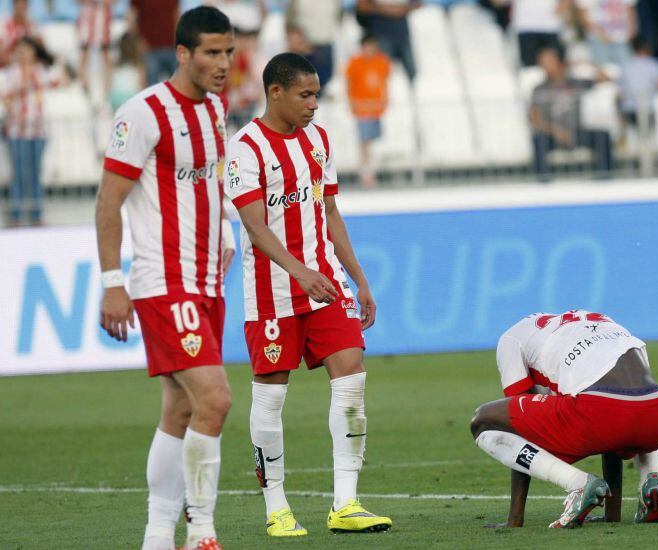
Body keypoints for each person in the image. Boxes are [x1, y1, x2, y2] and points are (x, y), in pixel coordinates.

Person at [224, 52, 391, 537]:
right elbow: (254, 227)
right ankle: (276, 508)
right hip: (272, 293)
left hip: (325, 286)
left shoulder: (318, 140)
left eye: (317, 94)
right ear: (275, 92)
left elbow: (331, 213)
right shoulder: (245, 149)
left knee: (352, 380)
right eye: (305, 95)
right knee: (270, 399)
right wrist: (297, 272)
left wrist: (358, 279)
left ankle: (346, 503)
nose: (314, 104)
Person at [95, 7, 235, 550]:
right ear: (183, 54)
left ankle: (157, 536)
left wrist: (225, 236)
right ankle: (201, 530)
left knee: (180, 408)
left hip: (206, 280)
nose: (223, 64)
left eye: (228, 52)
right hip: (162, 279)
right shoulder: (143, 113)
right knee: (216, 400)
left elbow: (211, 185)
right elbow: (109, 203)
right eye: (211, 53)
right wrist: (113, 281)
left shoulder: (216, 109)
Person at [470, 310, 658, 528]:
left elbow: (518, 427)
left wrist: (515, 519)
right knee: (623, 407)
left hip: (601, 413)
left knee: (484, 421)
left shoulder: (512, 338)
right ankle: (651, 478)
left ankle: (577, 484)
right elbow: (622, 407)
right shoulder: (600, 320)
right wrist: (612, 516)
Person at [1, 37, 63, 226]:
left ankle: (37, 214)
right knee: (19, 173)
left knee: (36, 172)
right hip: (16, 130)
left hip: (38, 129)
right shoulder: (10, 73)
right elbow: (5, 97)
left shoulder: (41, 71)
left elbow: (58, 81)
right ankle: (16, 214)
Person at [529, 47, 613, 178]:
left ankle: (604, 178)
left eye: (548, 61)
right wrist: (557, 132)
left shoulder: (575, 83)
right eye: (542, 62)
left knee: (602, 137)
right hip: (553, 134)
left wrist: (585, 63)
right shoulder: (540, 89)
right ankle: (542, 182)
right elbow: (534, 118)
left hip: (577, 132)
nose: (544, 65)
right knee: (539, 140)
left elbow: (606, 78)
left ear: (559, 62)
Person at [346, 34, 390, 188]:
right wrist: (352, 101)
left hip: (375, 107)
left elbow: (384, 82)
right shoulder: (355, 63)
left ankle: (373, 169)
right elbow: (349, 83)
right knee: (365, 142)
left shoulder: (381, 61)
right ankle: (366, 173)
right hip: (362, 108)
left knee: (373, 139)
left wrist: (385, 99)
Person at [355, 0, 421, 83]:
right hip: (380, 34)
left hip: (402, 33)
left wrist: (402, 9)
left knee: (412, 73)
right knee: (382, 73)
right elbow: (361, 6)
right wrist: (384, 9)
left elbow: (418, 3)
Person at [286, 0, 342, 95]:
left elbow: (339, 16)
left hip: (325, 43)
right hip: (304, 48)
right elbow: (290, 19)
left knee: (325, 84)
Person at [618, 35, 658, 131]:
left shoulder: (625, 65)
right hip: (649, 108)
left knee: (633, 137)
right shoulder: (654, 64)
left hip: (629, 108)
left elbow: (620, 90)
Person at [130, 0, 180, 85]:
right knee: (151, 87)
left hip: (172, 46)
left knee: (178, 86)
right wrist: (138, 40)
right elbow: (132, 16)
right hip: (149, 48)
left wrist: (179, 37)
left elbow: (177, 14)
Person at [576, 0, 636, 67]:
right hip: (597, 40)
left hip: (621, 39)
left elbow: (630, 9)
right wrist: (601, 35)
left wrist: (631, 33)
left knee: (626, 69)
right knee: (603, 69)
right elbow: (582, 16)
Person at [512, 0, 570, 68]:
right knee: (530, 66)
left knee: (556, 65)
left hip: (552, 25)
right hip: (525, 26)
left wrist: (565, 4)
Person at [76, 0, 114, 97]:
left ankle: (108, 91)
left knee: (106, 57)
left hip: (102, 21)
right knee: (84, 56)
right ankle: (85, 90)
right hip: (87, 20)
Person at [108, 31, 146, 112]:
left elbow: (109, 84)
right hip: (132, 97)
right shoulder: (139, 65)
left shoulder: (114, 64)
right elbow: (142, 86)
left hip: (116, 98)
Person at [0, 0, 37, 68]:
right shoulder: (4, 24)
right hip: (6, 68)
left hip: (24, 69)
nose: (21, 8)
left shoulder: (31, 26)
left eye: (24, 5)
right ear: (14, 5)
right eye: (19, 4)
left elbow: (37, 53)